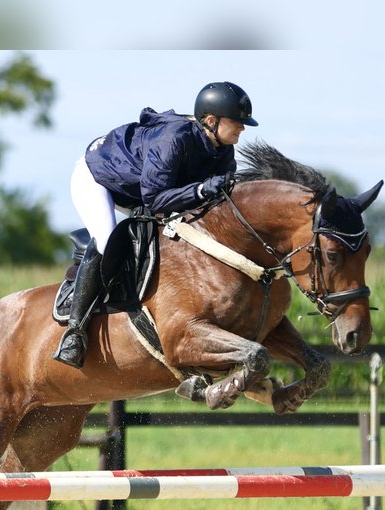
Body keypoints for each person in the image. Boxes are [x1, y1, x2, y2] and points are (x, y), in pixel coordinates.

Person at [52, 81, 259, 368]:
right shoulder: (174, 140)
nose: (243, 128)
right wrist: (200, 190)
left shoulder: (223, 150)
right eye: (237, 122)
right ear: (211, 121)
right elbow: (155, 199)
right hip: (100, 178)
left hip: (144, 188)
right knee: (107, 239)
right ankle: (75, 332)